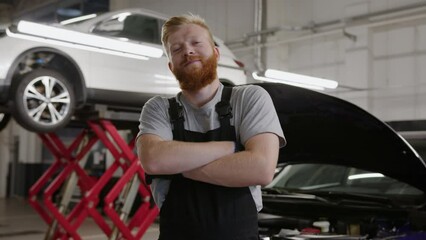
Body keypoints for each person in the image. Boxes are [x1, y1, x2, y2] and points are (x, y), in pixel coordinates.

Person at [136, 13, 285, 240]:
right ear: (171, 66)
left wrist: (177, 167)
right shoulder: (158, 109)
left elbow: (261, 168)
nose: (188, 51)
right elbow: (154, 160)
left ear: (216, 53)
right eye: (176, 49)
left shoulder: (249, 98)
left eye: (196, 43)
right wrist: (229, 148)